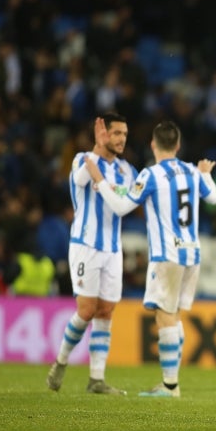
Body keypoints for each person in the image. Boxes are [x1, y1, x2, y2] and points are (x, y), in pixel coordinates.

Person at [84, 120, 216, 397]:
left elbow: (121, 207)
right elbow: (214, 198)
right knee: (174, 315)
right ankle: (172, 382)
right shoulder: (192, 171)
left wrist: (100, 181)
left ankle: (170, 386)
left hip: (167, 254)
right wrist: (206, 174)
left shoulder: (151, 175)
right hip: (192, 252)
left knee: (165, 316)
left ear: (153, 145)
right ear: (178, 145)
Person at [46, 113, 137, 396]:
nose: (122, 139)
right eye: (117, 133)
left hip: (113, 249)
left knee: (106, 311)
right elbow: (80, 179)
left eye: (125, 133)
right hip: (85, 245)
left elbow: (124, 203)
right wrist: (97, 152)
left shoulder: (127, 170)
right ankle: (61, 362)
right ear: (103, 134)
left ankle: (96, 379)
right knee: (85, 311)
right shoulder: (83, 159)